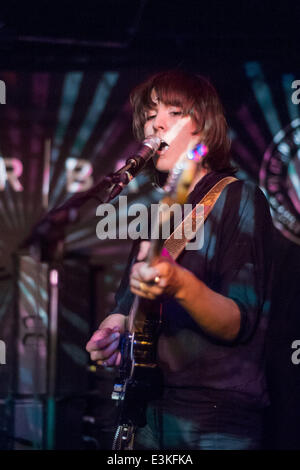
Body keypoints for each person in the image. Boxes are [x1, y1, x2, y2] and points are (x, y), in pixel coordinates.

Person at [86, 70, 273, 450]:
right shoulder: (159, 214)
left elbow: (238, 321)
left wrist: (180, 284)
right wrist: (112, 329)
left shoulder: (238, 198)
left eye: (174, 112)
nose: (156, 123)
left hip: (212, 417)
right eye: (152, 114)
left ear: (203, 127)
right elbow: (129, 308)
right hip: (145, 408)